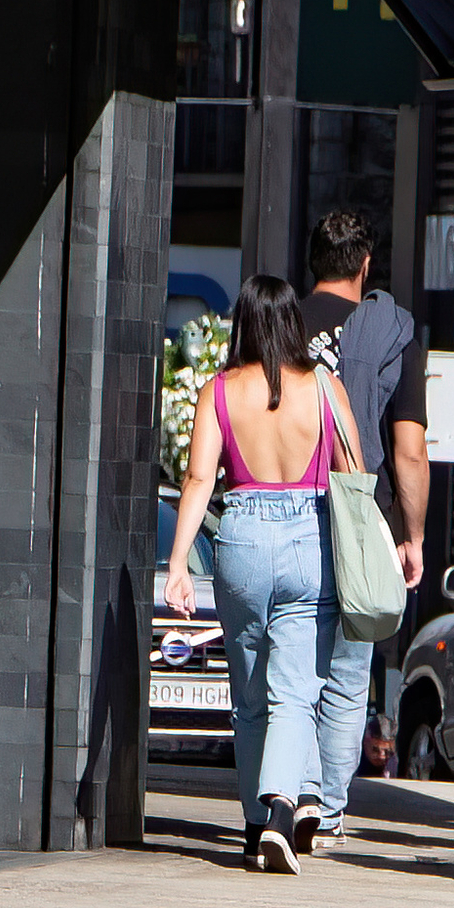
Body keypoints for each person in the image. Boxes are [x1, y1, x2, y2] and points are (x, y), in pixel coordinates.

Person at [164, 275, 364, 873]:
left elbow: (199, 480)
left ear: (244, 322)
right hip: (308, 537)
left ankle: (255, 823)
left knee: (248, 693)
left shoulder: (218, 391)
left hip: (243, 534)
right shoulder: (324, 387)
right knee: (298, 688)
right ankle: (282, 810)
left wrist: (178, 564)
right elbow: (351, 467)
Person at [298, 209, 428, 847]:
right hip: (361, 510)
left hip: (286, 506)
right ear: (365, 265)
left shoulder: (279, 323)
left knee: (292, 665)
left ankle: (289, 795)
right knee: (350, 673)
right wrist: (413, 535)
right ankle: (327, 810)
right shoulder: (394, 332)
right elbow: (408, 450)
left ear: (313, 262)